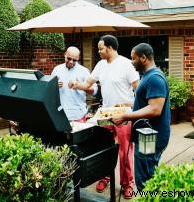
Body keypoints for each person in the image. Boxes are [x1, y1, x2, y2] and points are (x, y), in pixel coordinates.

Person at [69, 35, 139, 199]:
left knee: (124, 151)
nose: (98, 51)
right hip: (105, 114)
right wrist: (76, 85)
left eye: (100, 48)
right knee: (101, 148)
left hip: (124, 115)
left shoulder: (126, 64)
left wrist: (128, 105)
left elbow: (139, 90)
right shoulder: (100, 65)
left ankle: (127, 183)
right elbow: (87, 84)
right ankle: (105, 176)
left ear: (109, 47)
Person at [112, 43, 171, 191]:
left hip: (150, 137)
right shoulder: (147, 76)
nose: (132, 62)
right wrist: (127, 104)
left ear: (143, 58)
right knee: (147, 175)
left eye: (134, 58)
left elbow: (155, 109)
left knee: (145, 181)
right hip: (146, 134)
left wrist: (126, 116)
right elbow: (146, 102)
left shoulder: (154, 78)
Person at [51, 46, 97, 122]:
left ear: (78, 58)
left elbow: (94, 91)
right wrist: (54, 85)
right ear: (65, 54)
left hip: (78, 114)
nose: (71, 62)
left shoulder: (84, 71)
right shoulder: (57, 69)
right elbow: (49, 90)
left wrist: (80, 86)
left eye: (74, 60)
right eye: (69, 58)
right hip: (60, 114)